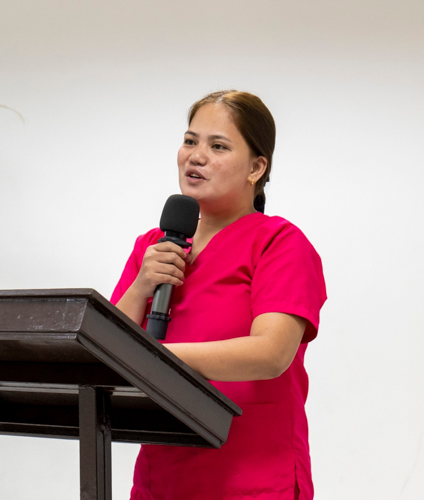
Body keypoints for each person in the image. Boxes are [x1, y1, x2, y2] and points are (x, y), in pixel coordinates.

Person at [111, 90, 327, 500]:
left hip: (251, 476)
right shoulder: (152, 247)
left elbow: (271, 353)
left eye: (218, 146)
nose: (196, 155)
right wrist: (141, 286)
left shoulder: (280, 243)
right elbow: (107, 352)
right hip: (163, 474)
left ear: (256, 167)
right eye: (190, 141)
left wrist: (158, 359)